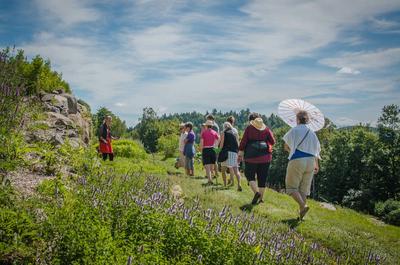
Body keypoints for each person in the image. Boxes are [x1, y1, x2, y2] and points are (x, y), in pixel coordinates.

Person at [283, 110, 321, 220]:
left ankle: (303, 206)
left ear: (298, 119)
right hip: (311, 161)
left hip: (298, 159)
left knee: (291, 188)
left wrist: (291, 150)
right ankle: (301, 215)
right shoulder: (313, 133)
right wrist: (316, 164)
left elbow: (286, 146)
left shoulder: (294, 130)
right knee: (304, 190)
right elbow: (317, 151)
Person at [238, 114, 275, 205]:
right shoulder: (266, 129)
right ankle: (261, 199)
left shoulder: (249, 128)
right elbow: (273, 141)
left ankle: (256, 192)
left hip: (251, 156)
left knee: (249, 175)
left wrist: (240, 151)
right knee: (262, 178)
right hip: (266, 157)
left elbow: (243, 141)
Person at [219, 122, 242, 191]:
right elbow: (238, 144)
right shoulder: (235, 133)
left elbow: (222, 144)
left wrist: (218, 151)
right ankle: (239, 184)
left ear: (224, 127)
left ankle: (225, 184)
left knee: (223, 169)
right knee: (236, 170)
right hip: (234, 152)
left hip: (226, 152)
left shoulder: (223, 133)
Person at [200, 120, 220, 184]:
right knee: (212, 164)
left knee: (207, 166)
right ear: (211, 126)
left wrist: (201, 149)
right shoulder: (214, 132)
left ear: (206, 126)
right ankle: (214, 177)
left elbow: (201, 143)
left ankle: (210, 179)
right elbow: (219, 138)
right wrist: (216, 145)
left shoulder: (204, 133)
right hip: (213, 149)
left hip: (206, 149)